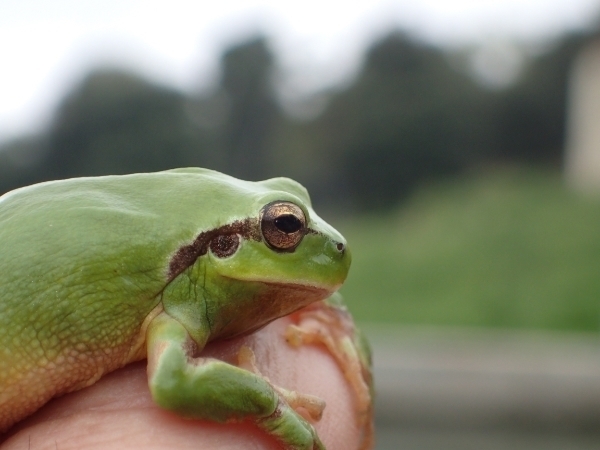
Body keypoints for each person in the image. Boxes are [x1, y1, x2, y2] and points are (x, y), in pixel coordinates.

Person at [1, 316, 362, 449]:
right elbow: (173, 381)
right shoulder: (176, 308)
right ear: (223, 246)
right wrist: (270, 403)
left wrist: (326, 312)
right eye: (284, 227)